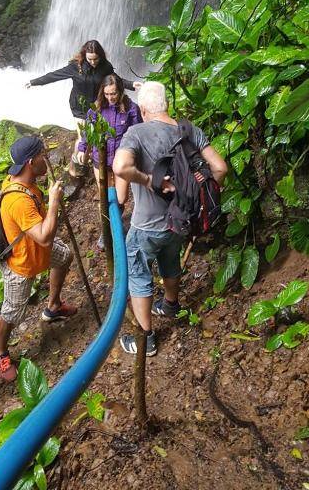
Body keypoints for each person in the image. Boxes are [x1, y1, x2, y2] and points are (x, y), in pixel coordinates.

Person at [112, 81, 227, 356]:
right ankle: (171, 305)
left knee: (138, 272)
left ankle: (146, 338)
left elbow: (120, 167)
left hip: (146, 224)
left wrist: (150, 180)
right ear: (166, 105)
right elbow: (220, 168)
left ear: (142, 109)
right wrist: (200, 194)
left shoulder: (135, 133)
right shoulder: (190, 130)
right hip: (180, 220)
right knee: (169, 258)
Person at [0, 135, 77, 382]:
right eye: (43, 155)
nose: (47, 159)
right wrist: (53, 202)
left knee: (64, 256)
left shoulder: (24, 182)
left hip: (38, 252)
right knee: (11, 313)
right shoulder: (18, 200)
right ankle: (1, 353)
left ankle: (53, 306)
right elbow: (43, 236)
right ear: (31, 162)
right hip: (22, 265)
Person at [26, 40, 141, 158]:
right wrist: (34, 82)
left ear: (100, 56)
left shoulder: (105, 66)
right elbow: (55, 75)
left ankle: (93, 160)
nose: (92, 62)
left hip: (97, 105)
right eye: (89, 59)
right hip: (79, 107)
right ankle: (76, 166)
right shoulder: (76, 66)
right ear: (84, 55)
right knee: (82, 138)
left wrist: (131, 84)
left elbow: (115, 80)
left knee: (96, 134)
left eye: (95, 59)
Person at [76, 74, 142, 206]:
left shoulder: (131, 108)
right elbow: (87, 132)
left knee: (121, 199)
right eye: (106, 94)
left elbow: (138, 133)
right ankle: (110, 223)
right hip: (100, 159)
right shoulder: (96, 108)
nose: (110, 98)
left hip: (121, 159)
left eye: (113, 93)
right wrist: (82, 150)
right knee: (105, 197)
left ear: (121, 91)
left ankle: (116, 218)